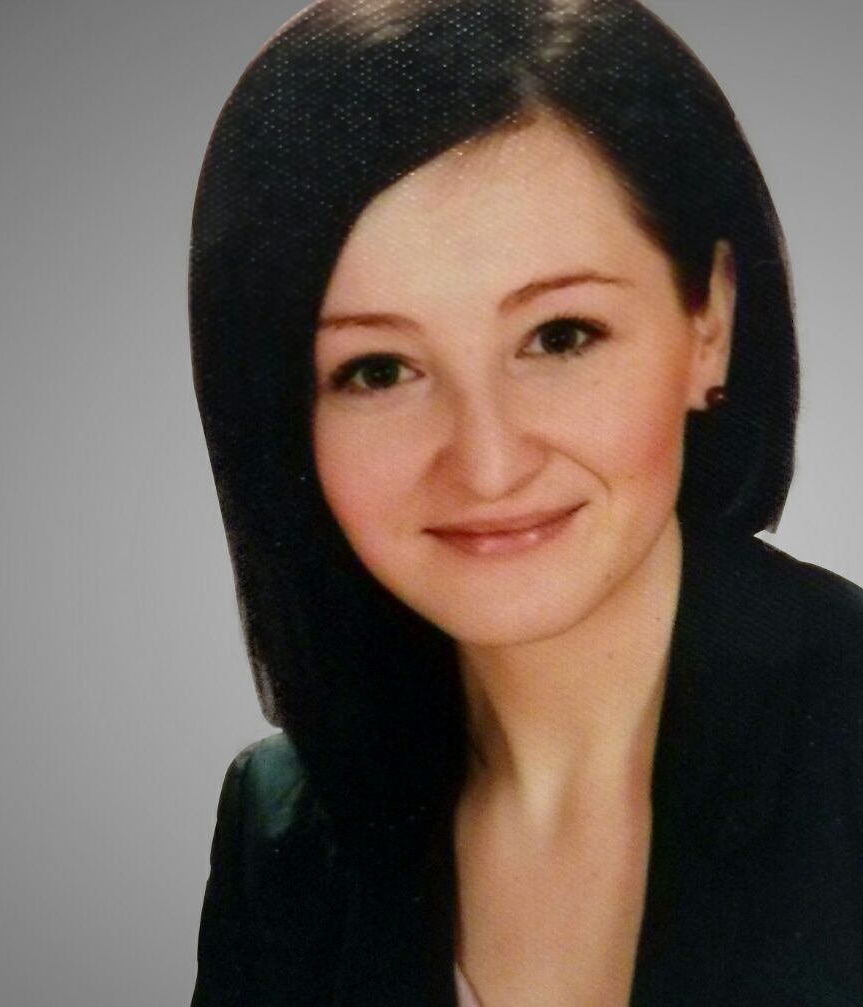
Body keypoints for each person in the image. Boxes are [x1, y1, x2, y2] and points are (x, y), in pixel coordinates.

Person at [187, 0, 863, 1004]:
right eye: (378, 369)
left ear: (710, 323)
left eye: (560, 336)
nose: (489, 464)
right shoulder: (280, 831)